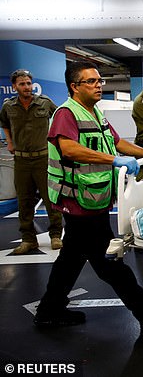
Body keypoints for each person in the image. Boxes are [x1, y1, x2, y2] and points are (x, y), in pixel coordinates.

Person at [34, 62, 143, 333]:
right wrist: (114, 161)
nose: (99, 85)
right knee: (109, 262)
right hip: (78, 199)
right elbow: (70, 149)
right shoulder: (66, 113)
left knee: (72, 257)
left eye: (100, 81)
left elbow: (117, 141)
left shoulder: (95, 112)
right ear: (75, 87)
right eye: (91, 82)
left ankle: (49, 309)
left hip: (92, 197)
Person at [0, 69, 63, 254]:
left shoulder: (44, 102)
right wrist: (10, 142)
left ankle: (56, 236)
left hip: (43, 158)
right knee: (24, 201)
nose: (26, 87)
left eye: (28, 83)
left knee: (51, 198)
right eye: (22, 84)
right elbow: (4, 123)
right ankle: (28, 239)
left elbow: (60, 117)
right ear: (14, 86)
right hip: (21, 161)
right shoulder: (8, 106)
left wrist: (56, 140)